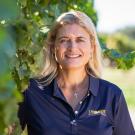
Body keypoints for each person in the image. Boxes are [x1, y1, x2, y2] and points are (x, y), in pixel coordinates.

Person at [18, 11, 135, 135]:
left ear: (92, 48)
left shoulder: (112, 95)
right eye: (64, 40)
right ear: (53, 47)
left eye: (80, 40)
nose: (72, 47)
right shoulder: (31, 91)